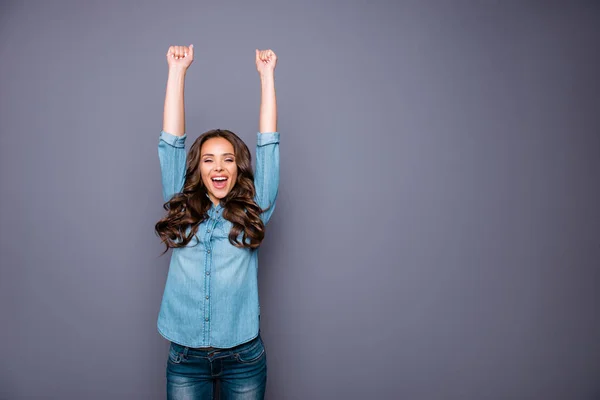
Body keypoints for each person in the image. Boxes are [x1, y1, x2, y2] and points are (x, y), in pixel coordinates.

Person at [154, 44, 279, 400]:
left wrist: (267, 77)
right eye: (209, 160)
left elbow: (269, 145)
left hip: (243, 356)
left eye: (227, 159)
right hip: (185, 356)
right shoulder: (180, 202)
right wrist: (177, 72)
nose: (219, 167)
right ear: (198, 169)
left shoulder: (257, 207)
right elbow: (171, 144)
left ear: (238, 167)